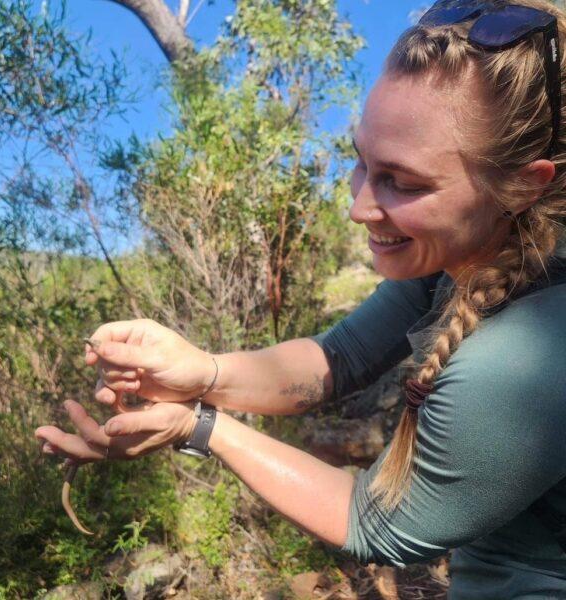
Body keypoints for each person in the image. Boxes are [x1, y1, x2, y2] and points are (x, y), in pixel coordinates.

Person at [35, 0, 566, 597]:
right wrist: (197, 370)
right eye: (361, 162)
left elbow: (381, 522)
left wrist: (196, 426)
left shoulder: (536, 349)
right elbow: (340, 359)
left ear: (524, 183)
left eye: (404, 182)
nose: (359, 206)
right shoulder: (465, 251)